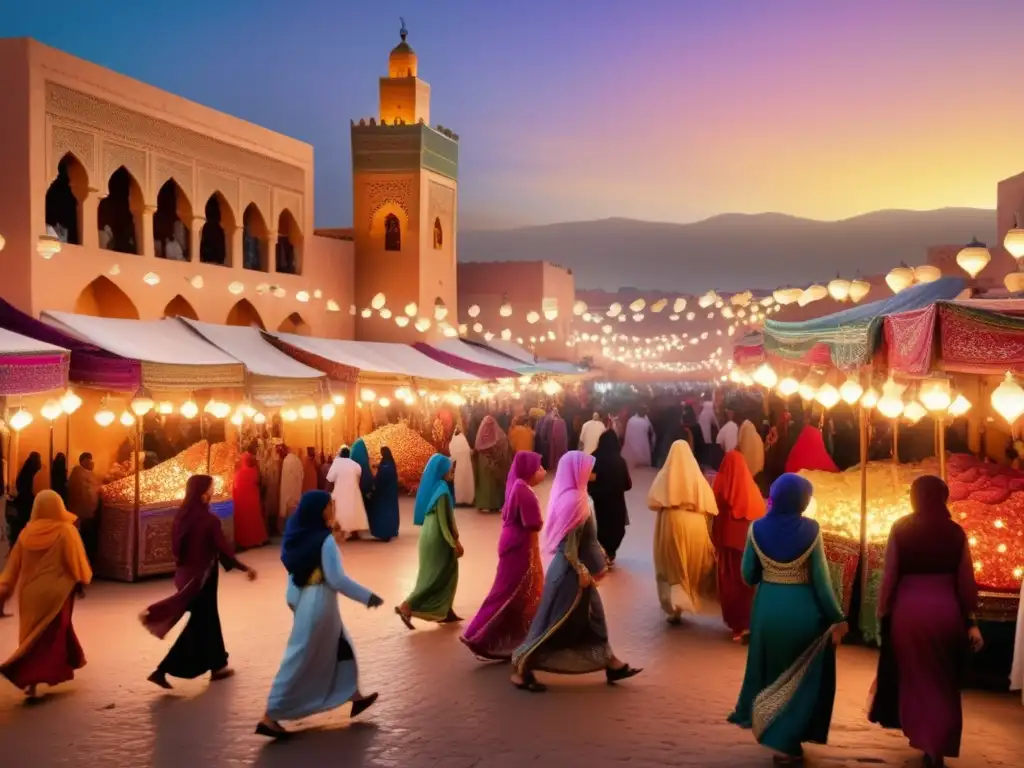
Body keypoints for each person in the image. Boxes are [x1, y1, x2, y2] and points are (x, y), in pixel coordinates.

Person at [728, 474, 847, 764]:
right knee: (801, 678)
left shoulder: (756, 529)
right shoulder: (812, 530)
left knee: (774, 675)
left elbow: (748, 575)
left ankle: (776, 733)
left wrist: (770, 575)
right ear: (803, 499)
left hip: (768, 610)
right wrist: (838, 617)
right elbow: (821, 580)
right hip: (803, 611)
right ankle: (789, 742)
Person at [870, 475, 982, 767]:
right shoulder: (956, 533)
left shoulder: (902, 529)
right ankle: (938, 746)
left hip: (909, 612)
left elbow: (890, 576)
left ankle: (925, 737)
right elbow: (966, 583)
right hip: (946, 610)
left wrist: (883, 612)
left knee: (916, 678)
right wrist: (970, 619)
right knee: (943, 680)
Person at [256, 491, 384, 739]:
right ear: (320, 510)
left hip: (307, 600)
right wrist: (367, 596)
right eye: (329, 505)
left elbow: (294, 574)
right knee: (300, 656)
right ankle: (270, 714)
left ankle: (353, 696)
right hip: (320, 603)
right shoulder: (324, 540)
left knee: (342, 647)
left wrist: (293, 602)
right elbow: (336, 579)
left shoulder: (299, 536)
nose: (332, 508)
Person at [511, 451, 641, 692]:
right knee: (553, 622)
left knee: (593, 619)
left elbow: (584, 538)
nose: (592, 472)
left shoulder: (577, 496)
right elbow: (570, 544)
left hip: (574, 572)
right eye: (587, 468)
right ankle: (522, 667)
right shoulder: (575, 501)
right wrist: (582, 570)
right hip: (570, 574)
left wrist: (596, 557)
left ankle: (611, 663)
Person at [140, 475, 257, 689]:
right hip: (203, 579)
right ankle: (167, 669)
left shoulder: (182, 516)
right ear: (203, 493)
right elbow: (222, 548)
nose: (212, 493)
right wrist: (244, 567)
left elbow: (177, 549)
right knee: (203, 622)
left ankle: (217, 664)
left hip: (185, 576)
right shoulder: (209, 520)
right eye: (211, 489)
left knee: (206, 621)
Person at [0, 490, 92, 698]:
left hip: (29, 594)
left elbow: (13, 567)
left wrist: (5, 588)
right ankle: (28, 674)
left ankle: (40, 674)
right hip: (56, 593)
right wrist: (82, 580)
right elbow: (74, 562)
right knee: (50, 636)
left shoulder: (26, 533)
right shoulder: (65, 531)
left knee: (31, 635)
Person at [461, 452, 546, 660]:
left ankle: (491, 635)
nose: (542, 472)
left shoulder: (518, 486)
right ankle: (478, 635)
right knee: (508, 593)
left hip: (514, 544)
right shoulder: (524, 491)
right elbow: (533, 523)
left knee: (505, 592)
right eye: (539, 468)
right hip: (519, 547)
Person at [647, 440, 718, 623]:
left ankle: (675, 608)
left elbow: (653, 501)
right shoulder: (697, 477)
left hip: (672, 522)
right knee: (691, 564)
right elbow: (710, 507)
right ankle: (688, 599)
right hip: (694, 524)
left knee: (671, 565)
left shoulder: (665, 475)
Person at [396, 455, 462, 628]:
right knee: (435, 577)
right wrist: (454, 541)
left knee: (443, 572)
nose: (452, 471)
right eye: (449, 469)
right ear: (442, 470)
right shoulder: (442, 492)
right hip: (437, 538)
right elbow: (445, 520)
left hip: (429, 536)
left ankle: (445, 610)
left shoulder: (435, 488)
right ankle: (407, 606)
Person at [712, 451, 766, 641]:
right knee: (748, 585)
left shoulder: (721, 487)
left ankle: (739, 626)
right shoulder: (752, 491)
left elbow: (714, 517)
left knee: (731, 584)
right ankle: (749, 623)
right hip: (750, 546)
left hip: (729, 546)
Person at [588, 430, 632, 565]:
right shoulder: (620, 461)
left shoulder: (593, 458)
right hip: (616, 502)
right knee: (616, 529)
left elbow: (587, 479)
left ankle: (600, 555)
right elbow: (627, 485)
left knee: (599, 528)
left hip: (598, 501)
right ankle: (609, 553)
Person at [325, 447, 370, 540]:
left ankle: (343, 532)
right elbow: (359, 474)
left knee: (341, 511)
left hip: (340, 491)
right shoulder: (355, 465)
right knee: (354, 511)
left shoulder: (337, 464)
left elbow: (330, 478)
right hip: (353, 491)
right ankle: (354, 532)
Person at [66, 452, 101, 565]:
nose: (91, 462)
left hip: (89, 513)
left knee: (88, 538)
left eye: (91, 459)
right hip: (81, 514)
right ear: (83, 461)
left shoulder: (90, 474)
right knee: (83, 538)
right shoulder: (78, 473)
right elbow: (82, 493)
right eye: (88, 460)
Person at [474, 415, 512, 513]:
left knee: (485, 484)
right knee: (494, 485)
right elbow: (505, 448)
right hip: (496, 464)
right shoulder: (500, 436)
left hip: (483, 463)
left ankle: (484, 503)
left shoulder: (480, 438)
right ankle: (496, 504)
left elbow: (476, 449)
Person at [233, 448, 268, 549]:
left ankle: (246, 541)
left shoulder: (240, 471)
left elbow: (236, 486)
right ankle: (257, 540)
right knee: (254, 519)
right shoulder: (253, 469)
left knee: (245, 520)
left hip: (242, 499)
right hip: (252, 497)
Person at [7, 452, 43, 547]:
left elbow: (20, 484)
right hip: (28, 501)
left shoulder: (26, 469)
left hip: (23, 500)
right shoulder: (33, 472)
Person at [368, 447, 400, 541]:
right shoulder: (390, 462)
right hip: (390, 492)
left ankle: (384, 532)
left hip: (383, 493)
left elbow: (382, 476)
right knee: (390, 512)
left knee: (383, 512)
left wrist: (374, 483)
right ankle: (391, 530)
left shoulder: (385, 464)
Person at [448, 427, 475, 505]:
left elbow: (453, 455)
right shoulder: (464, 440)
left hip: (459, 466)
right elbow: (469, 451)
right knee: (467, 481)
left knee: (459, 482)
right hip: (467, 466)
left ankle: (459, 500)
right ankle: (468, 500)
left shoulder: (454, 441)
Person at [279, 446, 305, 522]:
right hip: (295, 491)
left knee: (288, 513)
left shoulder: (286, 461)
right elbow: (302, 475)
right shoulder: (297, 460)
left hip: (287, 491)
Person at [350, 438, 375, 511]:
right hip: (363, 489)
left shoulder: (353, 454)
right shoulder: (364, 460)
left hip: (355, 490)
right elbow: (366, 474)